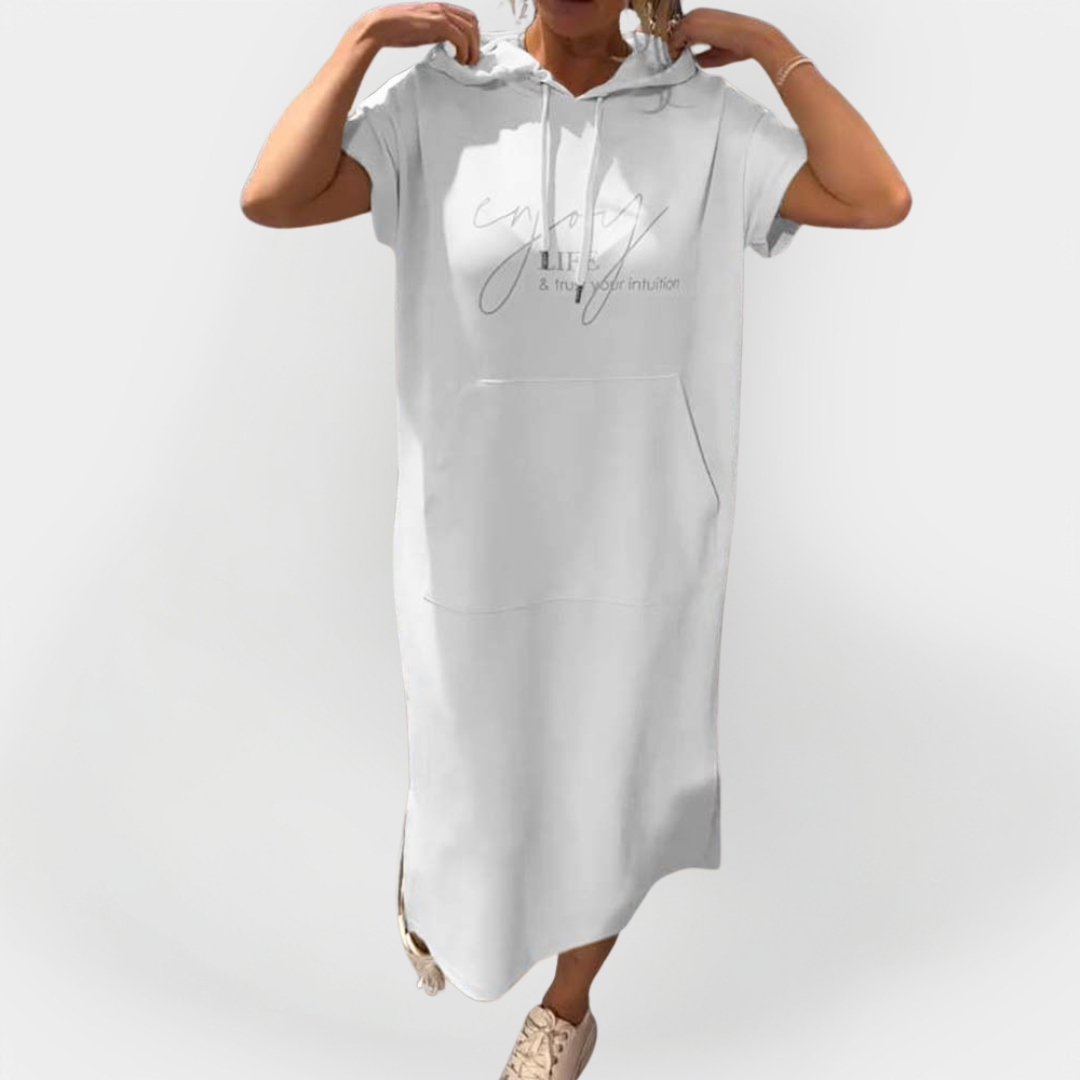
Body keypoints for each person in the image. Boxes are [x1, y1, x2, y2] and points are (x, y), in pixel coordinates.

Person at [241, 0, 910, 1075]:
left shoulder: (702, 119)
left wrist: (773, 51)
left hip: (638, 529)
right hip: (478, 520)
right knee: (477, 753)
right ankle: (439, 868)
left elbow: (878, 197)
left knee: (615, 779)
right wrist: (361, 44)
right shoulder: (444, 106)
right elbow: (272, 195)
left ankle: (566, 1009)